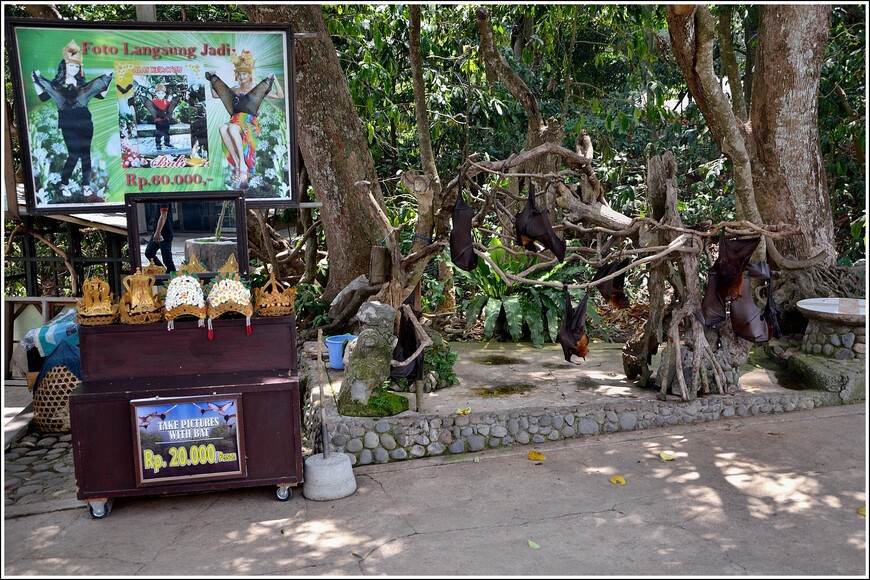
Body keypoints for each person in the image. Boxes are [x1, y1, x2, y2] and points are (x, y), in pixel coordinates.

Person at [31, 39, 113, 199]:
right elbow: (42, 97)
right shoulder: (56, 85)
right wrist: (36, 80)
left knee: (86, 155)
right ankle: (64, 183)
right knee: (73, 155)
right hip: (68, 124)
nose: (74, 68)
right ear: (64, 65)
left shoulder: (84, 86)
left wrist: (109, 79)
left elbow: (102, 94)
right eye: (71, 65)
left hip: (85, 123)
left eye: (77, 66)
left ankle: (86, 186)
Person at [206, 49, 284, 186]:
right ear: (237, 75)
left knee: (232, 129)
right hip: (234, 121)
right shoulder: (235, 89)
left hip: (249, 123)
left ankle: (242, 164)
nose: (241, 77)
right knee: (223, 128)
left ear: (249, 75)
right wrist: (211, 80)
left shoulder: (256, 89)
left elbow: (280, 95)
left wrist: (275, 79)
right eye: (239, 74)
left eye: (244, 74)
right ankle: (237, 164)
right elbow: (215, 94)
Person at [140, 83, 179, 151]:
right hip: (158, 120)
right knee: (158, 133)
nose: (160, 95)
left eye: (162, 93)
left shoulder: (166, 101)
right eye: (159, 93)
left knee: (167, 132)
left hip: (166, 120)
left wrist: (175, 98)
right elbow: (151, 107)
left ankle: (167, 142)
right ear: (156, 93)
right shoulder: (153, 101)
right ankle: (158, 144)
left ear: (164, 94)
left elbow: (170, 108)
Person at [144, 202, 176, 272]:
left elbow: (163, 215)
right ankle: (162, 271)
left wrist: (158, 232)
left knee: (167, 259)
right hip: (156, 232)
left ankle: (174, 277)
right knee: (149, 253)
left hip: (165, 233)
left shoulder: (163, 199)